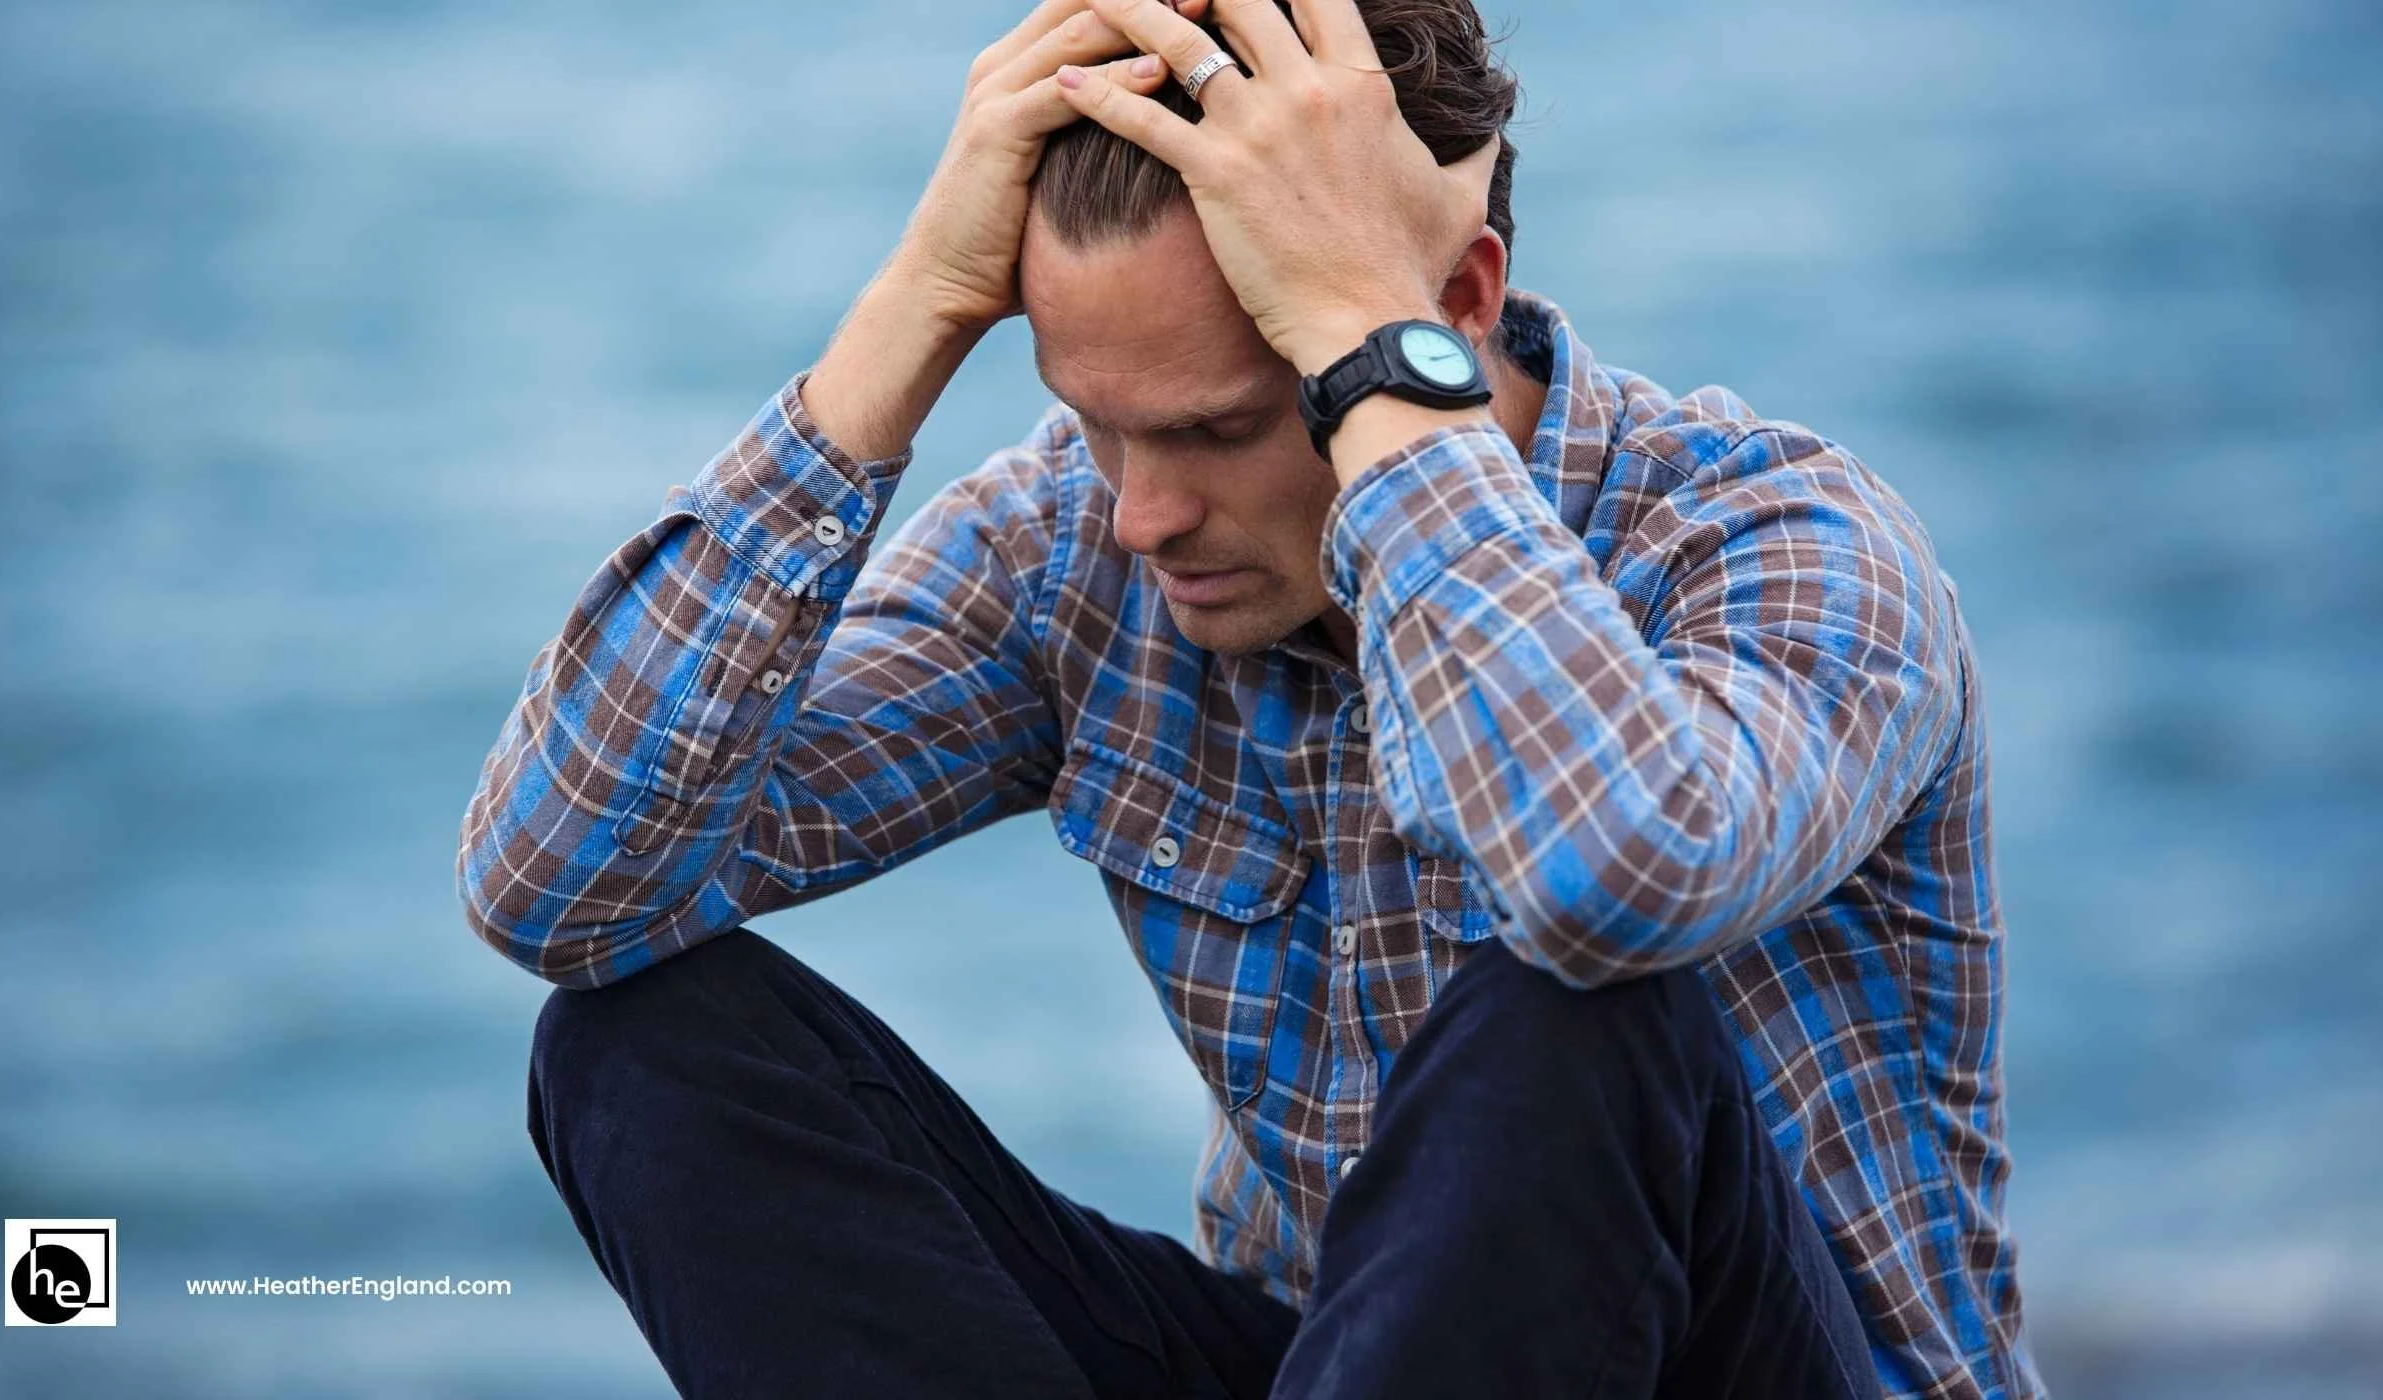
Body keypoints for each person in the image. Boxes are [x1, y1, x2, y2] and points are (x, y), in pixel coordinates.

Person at [457, 0, 2044, 1394]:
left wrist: (1371, 358)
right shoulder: (1079, 552)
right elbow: (560, 888)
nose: (1141, 513)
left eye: (1215, 432)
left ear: (1454, 304)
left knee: (1570, 1003)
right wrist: (913, 312)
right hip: (1331, 1358)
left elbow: (1607, 875)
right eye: (1092, 423)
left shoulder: (1785, 547)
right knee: (639, 1045)